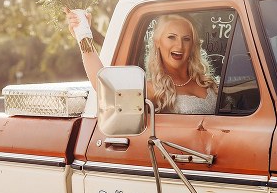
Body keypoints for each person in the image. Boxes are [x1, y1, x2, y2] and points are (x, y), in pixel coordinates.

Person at [66, 9, 218, 114]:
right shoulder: (154, 89)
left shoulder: (207, 82)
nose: (179, 46)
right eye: (171, 37)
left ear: (193, 45)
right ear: (158, 42)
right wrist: (83, 35)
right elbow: (106, 89)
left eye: (186, 39)